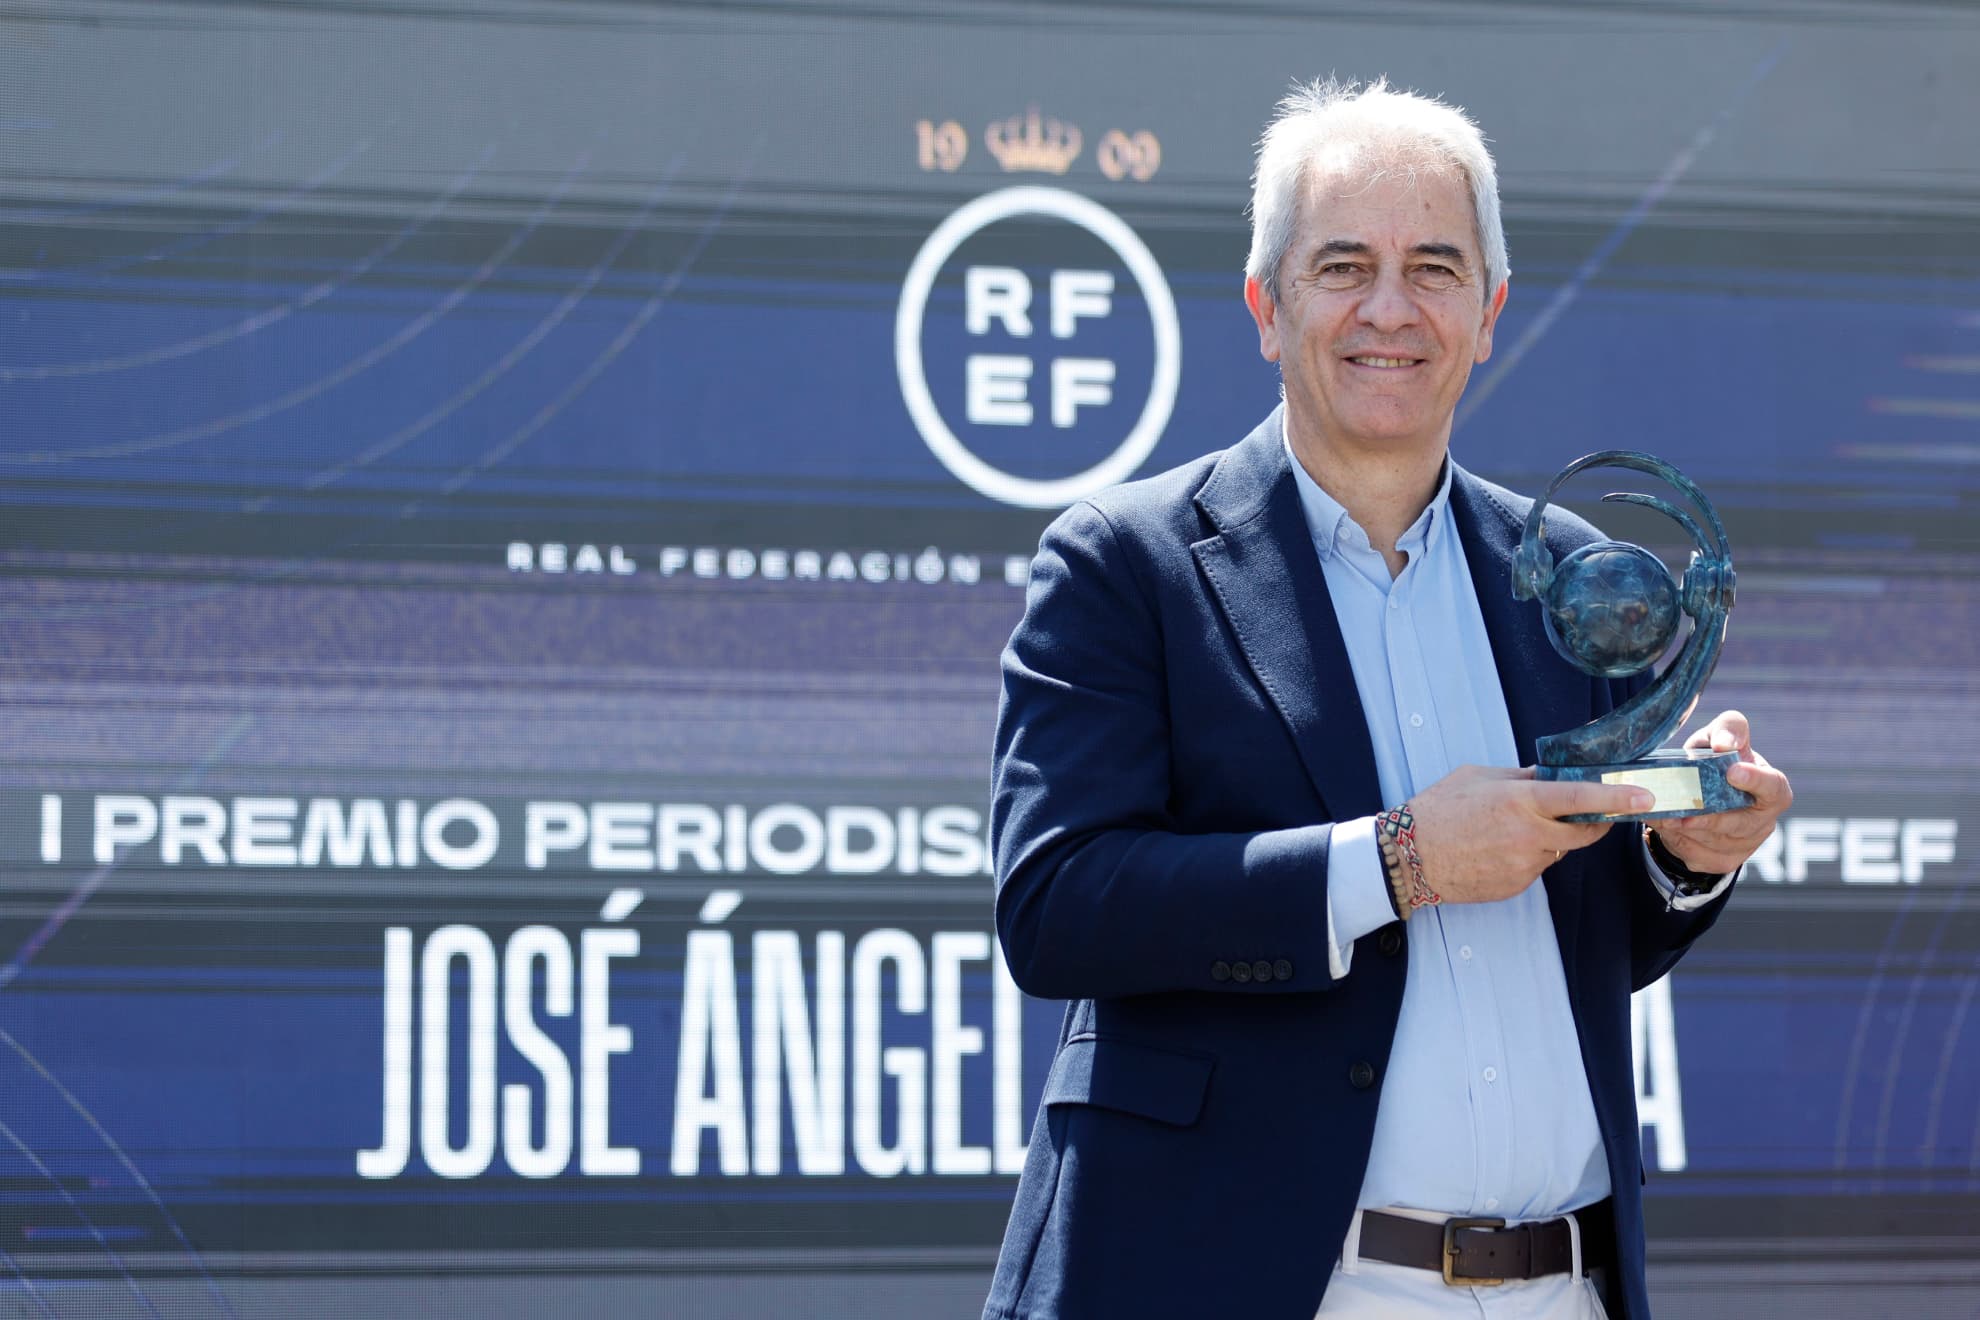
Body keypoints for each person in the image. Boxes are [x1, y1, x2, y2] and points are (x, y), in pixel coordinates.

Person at [980, 77, 1792, 1320]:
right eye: (1343, 266)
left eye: (1434, 268)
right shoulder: (1125, 561)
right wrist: (1397, 860)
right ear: (1267, 305)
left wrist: (1687, 860)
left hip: (1560, 1286)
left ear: (1489, 312)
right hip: (1271, 1287)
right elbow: (1058, 907)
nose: (1390, 310)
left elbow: (1585, 941)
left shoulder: (1570, 575)